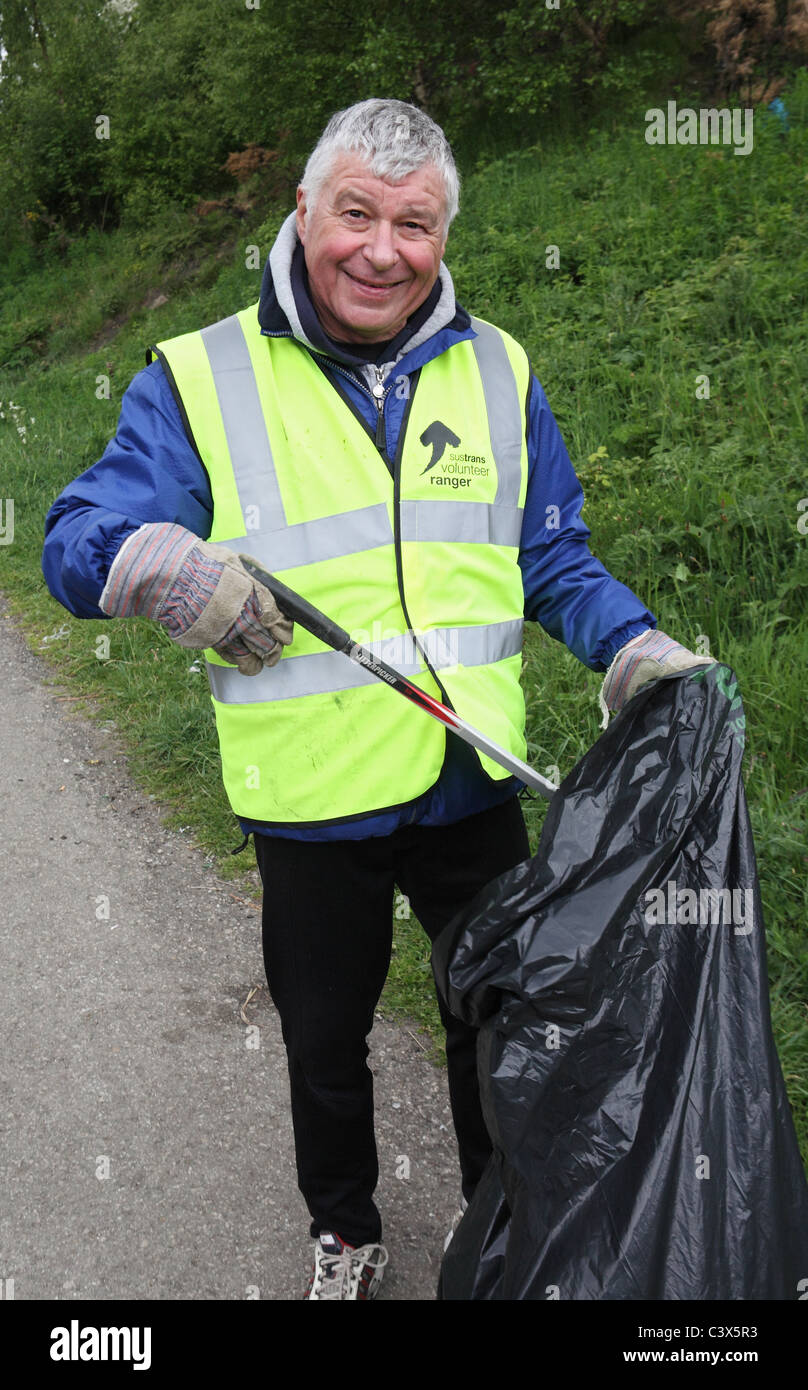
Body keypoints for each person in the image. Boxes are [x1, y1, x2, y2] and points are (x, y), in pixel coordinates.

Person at [42, 98, 711, 1300]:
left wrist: (636, 651)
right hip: (311, 792)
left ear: (441, 238)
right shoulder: (202, 375)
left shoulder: (497, 368)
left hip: (469, 771)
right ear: (303, 210)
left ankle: (495, 1228)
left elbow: (550, 556)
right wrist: (160, 567)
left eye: (415, 224)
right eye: (355, 213)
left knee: (499, 1024)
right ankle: (345, 1234)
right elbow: (73, 536)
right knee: (325, 1041)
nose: (382, 250)